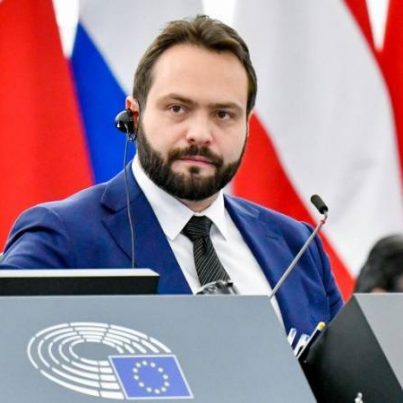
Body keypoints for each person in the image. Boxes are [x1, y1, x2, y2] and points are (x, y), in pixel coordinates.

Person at [0, 15, 342, 337]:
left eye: (223, 114)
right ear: (134, 116)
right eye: (177, 108)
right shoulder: (62, 237)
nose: (200, 134)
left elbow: (345, 373)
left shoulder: (298, 246)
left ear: (247, 126)